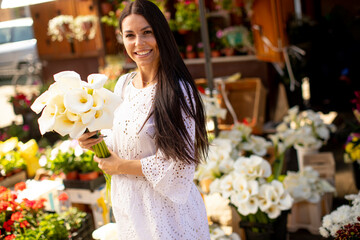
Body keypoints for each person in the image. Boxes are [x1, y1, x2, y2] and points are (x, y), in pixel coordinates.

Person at [78, 0, 210, 239]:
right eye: (130, 35)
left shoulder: (178, 91)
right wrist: (92, 141)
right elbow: (120, 144)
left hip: (168, 215)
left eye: (146, 33)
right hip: (130, 208)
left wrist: (120, 167)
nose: (138, 43)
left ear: (161, 34)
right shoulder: (123, 85)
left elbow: (180, 165)